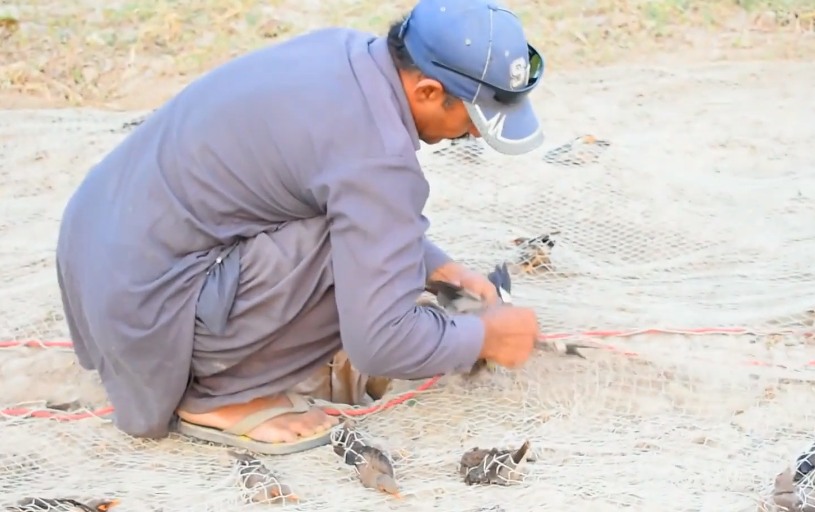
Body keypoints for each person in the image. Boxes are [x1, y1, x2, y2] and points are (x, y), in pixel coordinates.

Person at [55, 0, 544, 455]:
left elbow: (345, 190)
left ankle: (235, 355)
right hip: (150, 317)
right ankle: (217, 395)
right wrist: (484, 338)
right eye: (477, 117)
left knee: (364, 242)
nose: (477, 133)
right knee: (346, 258)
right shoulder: (378, 157)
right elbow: (379, 344)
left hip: (97, 269)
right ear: (428, 91)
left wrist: (440, 269)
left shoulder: (344, 55)